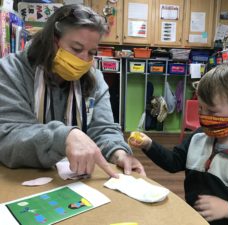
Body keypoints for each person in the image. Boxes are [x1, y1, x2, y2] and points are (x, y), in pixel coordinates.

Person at [129, 62, 228, 225]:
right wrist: (148, 144)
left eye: (211, 111)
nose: (203, 116)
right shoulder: (199, 137)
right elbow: (173, 161)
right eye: (200, 109)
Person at [0, 4, 145, 177]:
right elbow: (8, 137)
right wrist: (63, 137)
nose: (84, 60)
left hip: (73, 180)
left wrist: (119, 152)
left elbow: (103, 128)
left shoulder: (94, 78)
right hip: (18, 179)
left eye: (91, 52)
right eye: (76, 49)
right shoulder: (11, 71)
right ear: (53, 41)